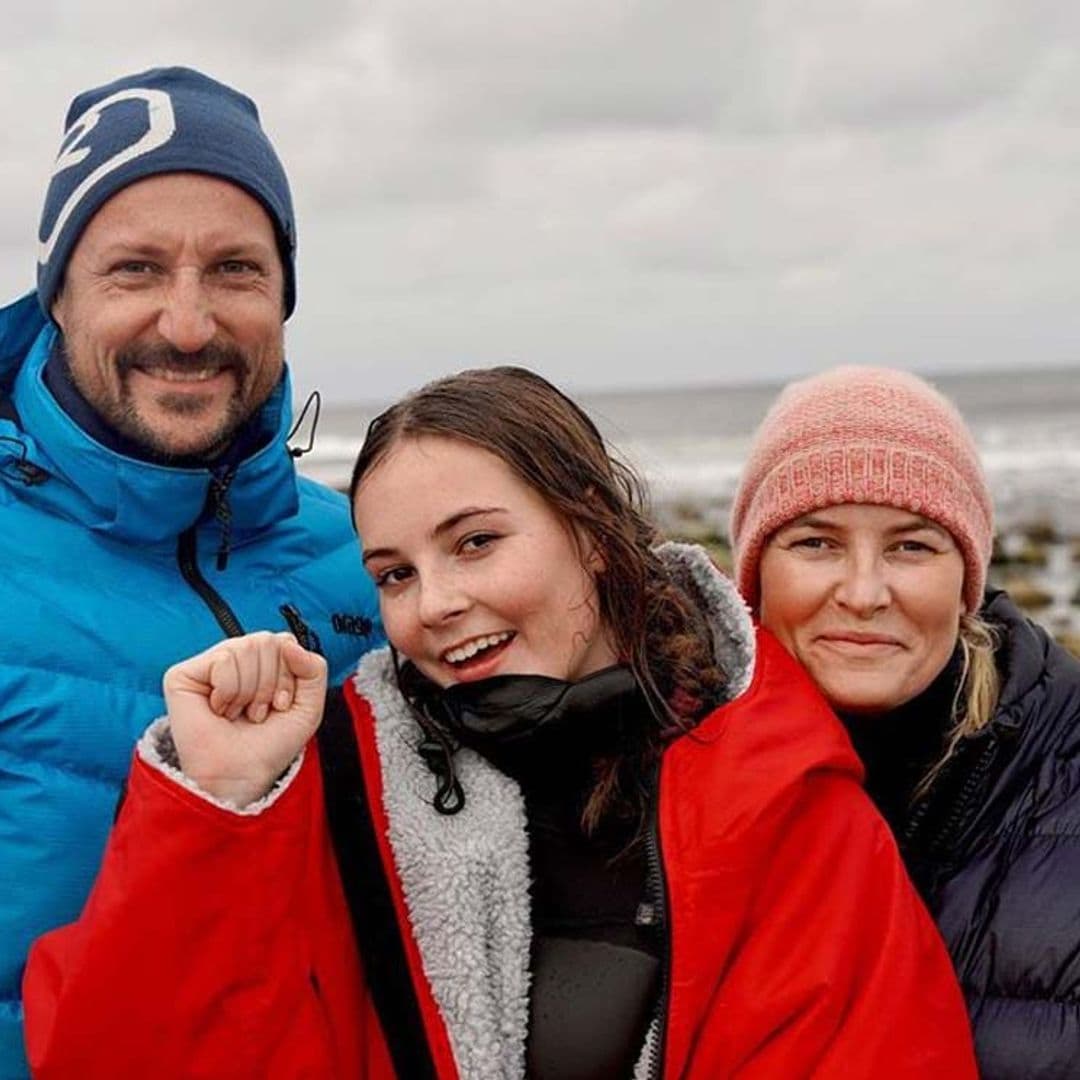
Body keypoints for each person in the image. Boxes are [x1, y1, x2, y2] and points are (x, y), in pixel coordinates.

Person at [25, 366, 976, 1078]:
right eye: (394, 573)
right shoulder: (332, 785)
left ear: (594, 534)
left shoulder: (783, 794)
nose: (434, 604)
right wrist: (221, 804)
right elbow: (124, 1055)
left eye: (476, 543)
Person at [0, 66, 382, 1076]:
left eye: (235, 270)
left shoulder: (375, 558)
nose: (187, 324)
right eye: (135, 269)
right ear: (59, 295)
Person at [730, 364, 1080, 1078]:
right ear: (755, 577)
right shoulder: (657, 787)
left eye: (911, 546)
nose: (863, 593)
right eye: (816, 543)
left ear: (966, 582)